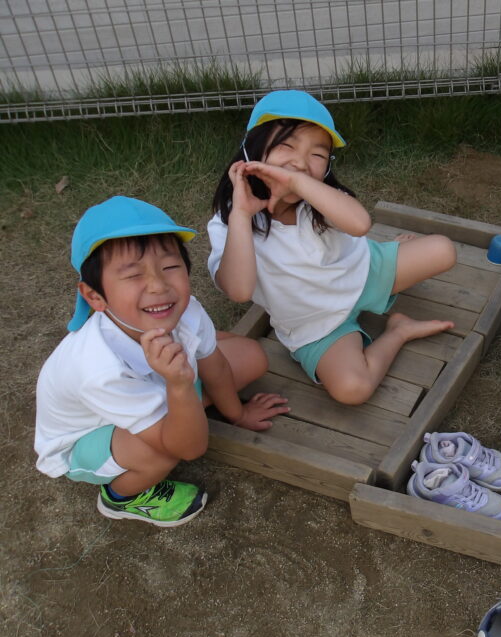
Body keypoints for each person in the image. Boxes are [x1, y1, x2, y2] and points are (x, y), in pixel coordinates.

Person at [34, 196, 288, 527]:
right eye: (132, 275)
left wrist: (238, 414)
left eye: (169, 267)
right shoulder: (100, 370)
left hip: (154, 388)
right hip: (89, 436)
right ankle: (121, 497)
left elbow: (216, 366)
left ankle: (180, 407)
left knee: (251, 357)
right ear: (95, 296)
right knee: (161, 451)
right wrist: (180, 386)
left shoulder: (187, 308)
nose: (158, 285)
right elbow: (190, 449)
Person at [208, 90, 457, 405]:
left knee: (444, 250)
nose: (300, 162)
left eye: (317, 154)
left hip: (363, 273)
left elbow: (360, 224)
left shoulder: (319, 196)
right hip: (315, 324)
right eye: (286, 145)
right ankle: (399, 331)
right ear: (252, 149)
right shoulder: (228, 222)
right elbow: (239, 290)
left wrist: (297, 182)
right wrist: (242, 216)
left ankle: (389, 251)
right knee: (353, 389)